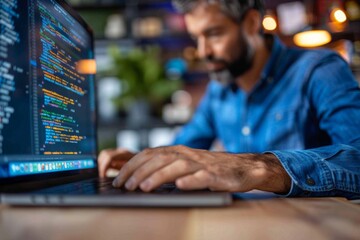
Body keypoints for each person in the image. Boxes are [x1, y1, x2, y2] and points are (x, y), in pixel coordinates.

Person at [98, 0, 360, 199]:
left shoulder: (320, 71)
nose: (202, 51)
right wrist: (141, 161)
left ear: (251, 23)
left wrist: (259, 167)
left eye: (213, 34)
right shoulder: (218, 91)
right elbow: (181, 151)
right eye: (196, 38)